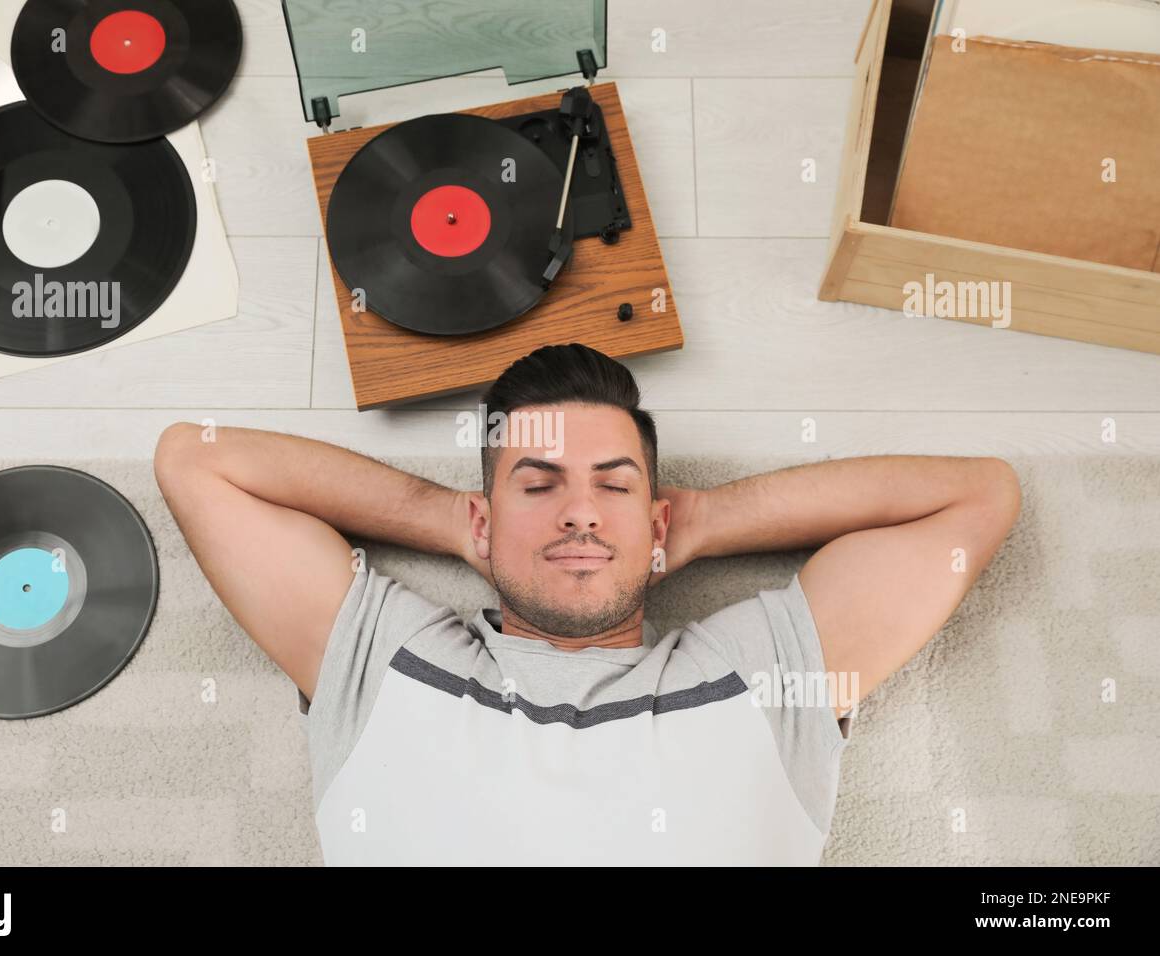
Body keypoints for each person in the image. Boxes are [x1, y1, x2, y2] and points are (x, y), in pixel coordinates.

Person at [153, 343, 1021, 865]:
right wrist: (449, 522)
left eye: (613, 485)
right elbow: (197, 459)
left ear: (657, 518)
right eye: (539, 487)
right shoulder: (386, 660)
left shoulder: (762, 674)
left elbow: (978, 497)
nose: (578, 510)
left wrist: (706, 519)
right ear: (485, 519)